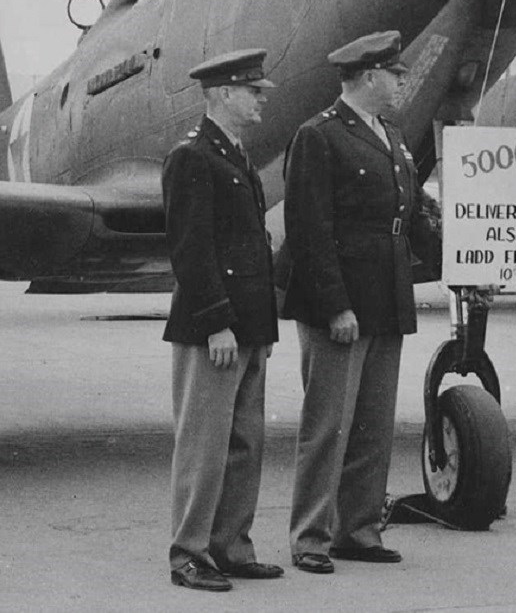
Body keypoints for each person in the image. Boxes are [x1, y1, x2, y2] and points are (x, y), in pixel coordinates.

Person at [282, 30, 434, 574]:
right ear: (368, 77)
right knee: (329, 426)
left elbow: (413, 217)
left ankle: (359, 530)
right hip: (341, 306)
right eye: (395, 75)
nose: (402, 83)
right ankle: (311, 537)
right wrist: (334, 306)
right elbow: (308, 230)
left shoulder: (391, 136)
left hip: (386, 300)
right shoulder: (318, 136)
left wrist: (464, 264)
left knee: (373, 423)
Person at [162, 49, 283, 591]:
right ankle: (188, 554)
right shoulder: (193, 157)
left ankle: (230, 547)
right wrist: (216, 323)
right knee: (204, 446)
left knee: (244, 443)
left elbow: (251, 247)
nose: (261, 97)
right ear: (223, 94)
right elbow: (192, 251)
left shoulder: (235, 155)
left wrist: (260, 329)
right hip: (215, 329)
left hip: (247, 329)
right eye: (253, 89)